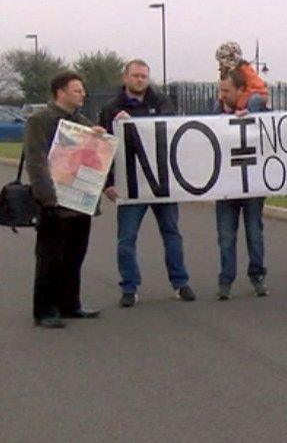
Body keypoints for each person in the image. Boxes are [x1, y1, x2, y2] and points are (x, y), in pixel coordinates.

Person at [100, 59, 195, 306]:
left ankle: (180, 282)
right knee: (126, 238)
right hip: (130, 183)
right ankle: (129, 287)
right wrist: (107, 182)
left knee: (172, 233)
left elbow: (168, 129)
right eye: (135, 76)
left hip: (160, 182)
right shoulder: (111, 108)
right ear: (125, 78)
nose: (140, 80)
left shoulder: (161, 102)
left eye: (144, 76)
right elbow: (103, 147)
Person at [24, 72, 106, 328]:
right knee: (50, 257)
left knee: (75, 254)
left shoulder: (81, 121)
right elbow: (35, 160)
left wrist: (98, 139)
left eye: (82, 91)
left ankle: (70, 304)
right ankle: (45, 309)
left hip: (79, 201)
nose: (83, 95)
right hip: (54, 200)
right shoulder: (40, 120)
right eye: (77, 91)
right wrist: (47, 197)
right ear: (60, 92)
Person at [213, 68, 270, 299]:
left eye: (226, 91)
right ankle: (226, 280)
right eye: (220, 90)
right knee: (226, 235)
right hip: (226, 184)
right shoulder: (215, 111)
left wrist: (254, 117)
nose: (221, 95)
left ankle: (257, 276)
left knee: (254, 232)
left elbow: (277, 129)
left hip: (251, 183)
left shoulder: (256, 109)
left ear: (240, 91)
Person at [215, 41, 269, 111]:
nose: (220, 66)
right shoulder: (230, 73)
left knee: (253, 101)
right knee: (218, 104)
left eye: (221, 63)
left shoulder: (246, 71)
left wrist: (240, 107)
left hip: (258, 95)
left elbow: (252, 90)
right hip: (246, 96)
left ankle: (252, 119)